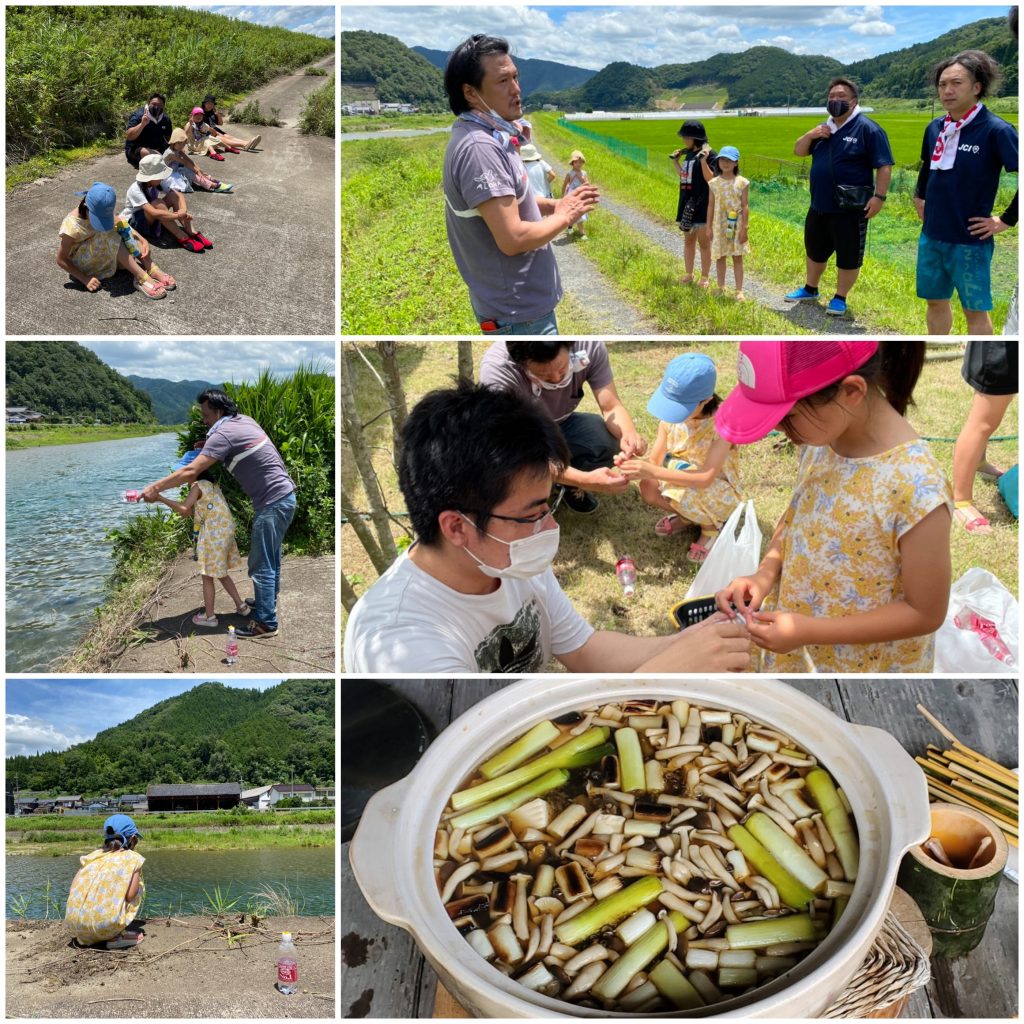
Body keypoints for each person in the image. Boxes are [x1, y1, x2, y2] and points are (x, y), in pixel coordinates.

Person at [343, 382, 751, 674]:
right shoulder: (401, 642)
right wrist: (665, 670)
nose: (549, 525)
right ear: (457, 526)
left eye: (548, 503)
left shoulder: (506, 559)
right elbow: (484, 754)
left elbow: (585, 650)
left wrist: (693, 642)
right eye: (532, 512)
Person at [714, 341, 952, 674]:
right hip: (800, 646)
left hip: (858, 669)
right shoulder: (824, 439)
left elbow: (925, 612)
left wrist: (810, 631)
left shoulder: (917, 487)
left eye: (788, 417)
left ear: (851, 391)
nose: (777, 430)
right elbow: (798, 516)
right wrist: (766, 572)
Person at [442, 34, 599, 334]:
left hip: (520, 309)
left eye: (515, 77)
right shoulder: (480, 149)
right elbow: (512, 237)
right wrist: (565, 216)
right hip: (518, 315)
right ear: (471, 93)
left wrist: (555, 204)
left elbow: (510, 202)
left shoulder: (492, 137)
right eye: (503, 81)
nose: (516, 89)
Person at [141, 389, 297, 640]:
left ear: (219, 411)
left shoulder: (222, 434)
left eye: (206, 414)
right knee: (272, 558)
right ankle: (266, 604)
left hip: (272, 504)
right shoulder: (243, 421)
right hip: (285, 497)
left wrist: (155, 488)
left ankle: (267, 623)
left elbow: (191, 471)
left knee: (260, 565)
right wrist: (208, 446)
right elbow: (237, 444)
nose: (204, 420)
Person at [913, 50, 1018, 335]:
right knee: (935, 302)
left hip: (970, 241)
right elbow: (927, 166)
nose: (947, 90)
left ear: (976, 87)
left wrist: (1007, 220)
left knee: (974, 310)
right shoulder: (935, 127)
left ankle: (981, 369)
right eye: (942, 84)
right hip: (932, 235)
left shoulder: (996, 130)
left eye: (956, 83)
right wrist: (918, 195)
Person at [479, 339, 646, 513]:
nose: (556, 379)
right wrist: (585, 480)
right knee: (510, 475)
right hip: (519, 441)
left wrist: (629, 433)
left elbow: (611, 405)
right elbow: (518, 454)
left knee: (604, 439)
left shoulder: (590, 346)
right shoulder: (498, 372)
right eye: (543, 375)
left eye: (562, 368)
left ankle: (564, 482)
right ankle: (555, 482)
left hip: (560, 426)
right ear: (520, 364)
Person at [618, 352, 742, 564]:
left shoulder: (722, 424)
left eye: (680, 407)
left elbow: (706, 478)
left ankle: (710, 528)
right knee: (648, 487)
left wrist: (654, 471)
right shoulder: (670, 421)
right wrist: (633, 465)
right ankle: (688, 516)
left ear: (706, 400)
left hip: (716, 489)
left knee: (682, 492)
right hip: (679, 482)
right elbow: (654, 461)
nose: (671, 412)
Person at [785, 78, 894, 317]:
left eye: (841, 97)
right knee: (814, 250)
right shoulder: (823, 129)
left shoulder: (868, 129)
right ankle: (810, 289)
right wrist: (811, 134)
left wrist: (879, 197)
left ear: (854, 102)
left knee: (848, 255)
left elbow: (884, 166)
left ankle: (840, 297)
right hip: (819, 204)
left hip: (850, 207)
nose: (835, 101)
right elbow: (799, 151)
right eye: (832, 97)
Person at [153, 470, 251, 626]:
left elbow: (184, 509)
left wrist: (159, 498)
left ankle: (210, 618)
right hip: (224, 532)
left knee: (207, 576)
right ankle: (242, 606)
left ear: (194, 473)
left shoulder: (197, 486)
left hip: (213, 535)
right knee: (220, 573)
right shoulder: (212, 486)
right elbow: (192, 511)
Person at [57, 182, 174, 299]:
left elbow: (120, 221)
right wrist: (84, 279)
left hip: (100, 253)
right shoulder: (72, 226)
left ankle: (150, 266)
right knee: (109, 233)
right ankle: (140, 276)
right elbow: (61, 259)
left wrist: (141, 239)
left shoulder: (101, 207)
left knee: (122, 225)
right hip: (85, 264)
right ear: (86, 206)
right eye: (99, 219)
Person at [951, 341, 1018, 534]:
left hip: (1004, 347)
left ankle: (979, 463)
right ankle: (961, 502)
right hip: (1000, 350)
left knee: (989, 411)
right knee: (983, 422)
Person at [65, 815, 145, 949]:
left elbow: (73, 889)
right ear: (132, 838)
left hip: (75, 926)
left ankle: (90, 932)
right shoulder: (133, 859)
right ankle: (115, 936)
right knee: (138, 887)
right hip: (104, 928)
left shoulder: (91, 856)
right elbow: (131, 896)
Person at [122, 153, 212, 252]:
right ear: (150, 177)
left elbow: (178, 195)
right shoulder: (135, 189)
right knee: (157, 203)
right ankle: (181, 235)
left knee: (172, 196)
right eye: (160, 175)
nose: (162, 178)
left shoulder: (157, 181)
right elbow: (153, 212)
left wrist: (183, 211)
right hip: (136, 222)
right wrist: (178, 215)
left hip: (151, 218)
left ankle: (191, 231)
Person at [671, 121, 717, 287]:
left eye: (686, 136)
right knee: (688, 240)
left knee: (704, 242)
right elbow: (684, 176)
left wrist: (704, 161)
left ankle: (705, 277)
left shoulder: (710, 154)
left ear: (695, 137)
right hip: (686, 202)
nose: (683, 139)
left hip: (703, 204)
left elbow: (712, 179)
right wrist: (676, 162)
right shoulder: (689, 154)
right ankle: (689, 274)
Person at [703, 144, 749, 300]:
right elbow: (710, 205)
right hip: (719, 224)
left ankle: (739, 290)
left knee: (737, 257)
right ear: (718, 162)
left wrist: (745, 229)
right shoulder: (714, 183)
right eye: (722, 159)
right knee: (720, 256)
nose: (725, 163)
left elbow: (745, 206)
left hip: (737, 224)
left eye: (729, 160)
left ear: (736, 163)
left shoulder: (742, 182)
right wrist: (708, 227)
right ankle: (721, 287)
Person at [164, 128, 234, 193]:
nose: (181, 146)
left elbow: (188, 160)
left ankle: (211, 179)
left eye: (183, 144)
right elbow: (185, 162)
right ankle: (211, 185)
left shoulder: (177, 149)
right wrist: (196, 171)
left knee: (194, 169)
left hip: (175, 170)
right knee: (186, 169)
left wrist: (199, 170)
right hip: (168, 176)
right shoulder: (170, 153)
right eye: (179, 143)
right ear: (173, 142)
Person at [125, 92, 173, 169]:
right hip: (136, 150)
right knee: (153, 156)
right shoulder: (138, 115)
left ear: (163, 106)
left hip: (158, 148)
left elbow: (169, 138)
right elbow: (128, 136)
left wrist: (177, 148)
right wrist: (142, 124)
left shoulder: (165, 119)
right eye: (154, 104)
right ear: (148, 103)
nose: (156, 107)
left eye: (160, 105)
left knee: (176, 153)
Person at [562, 150, 590, 240]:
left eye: (580, 162)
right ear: (572, 163)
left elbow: (587, 184)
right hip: (572, 194)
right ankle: (581, 233)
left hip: (581, 194)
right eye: (576, 162)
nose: (579, 164)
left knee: (579, 212)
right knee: (574, 212)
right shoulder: (569, 174)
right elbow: (565, 184)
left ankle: (571, 227)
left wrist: (580, 178)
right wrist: (562, 195)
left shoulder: (584, 173)